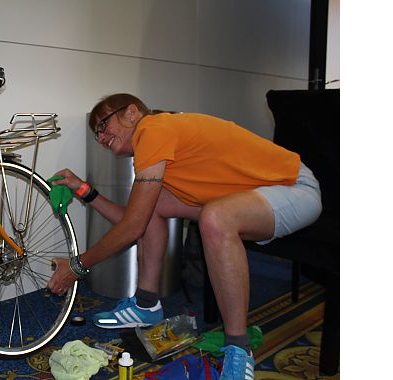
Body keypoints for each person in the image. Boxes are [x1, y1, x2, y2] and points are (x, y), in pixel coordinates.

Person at [47, 93, 322, 380]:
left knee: (215, 217)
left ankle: (239, 348)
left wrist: (77, 267)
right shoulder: (158, 145)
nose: (100, 137)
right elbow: (134, 219)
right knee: (160, 207)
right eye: (95, 134)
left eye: (102, 125)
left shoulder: (152, 129)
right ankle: (147, 304)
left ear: (131, 113)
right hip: (255, 197)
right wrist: (84, 190)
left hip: (295, 188)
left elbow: (132, 227)